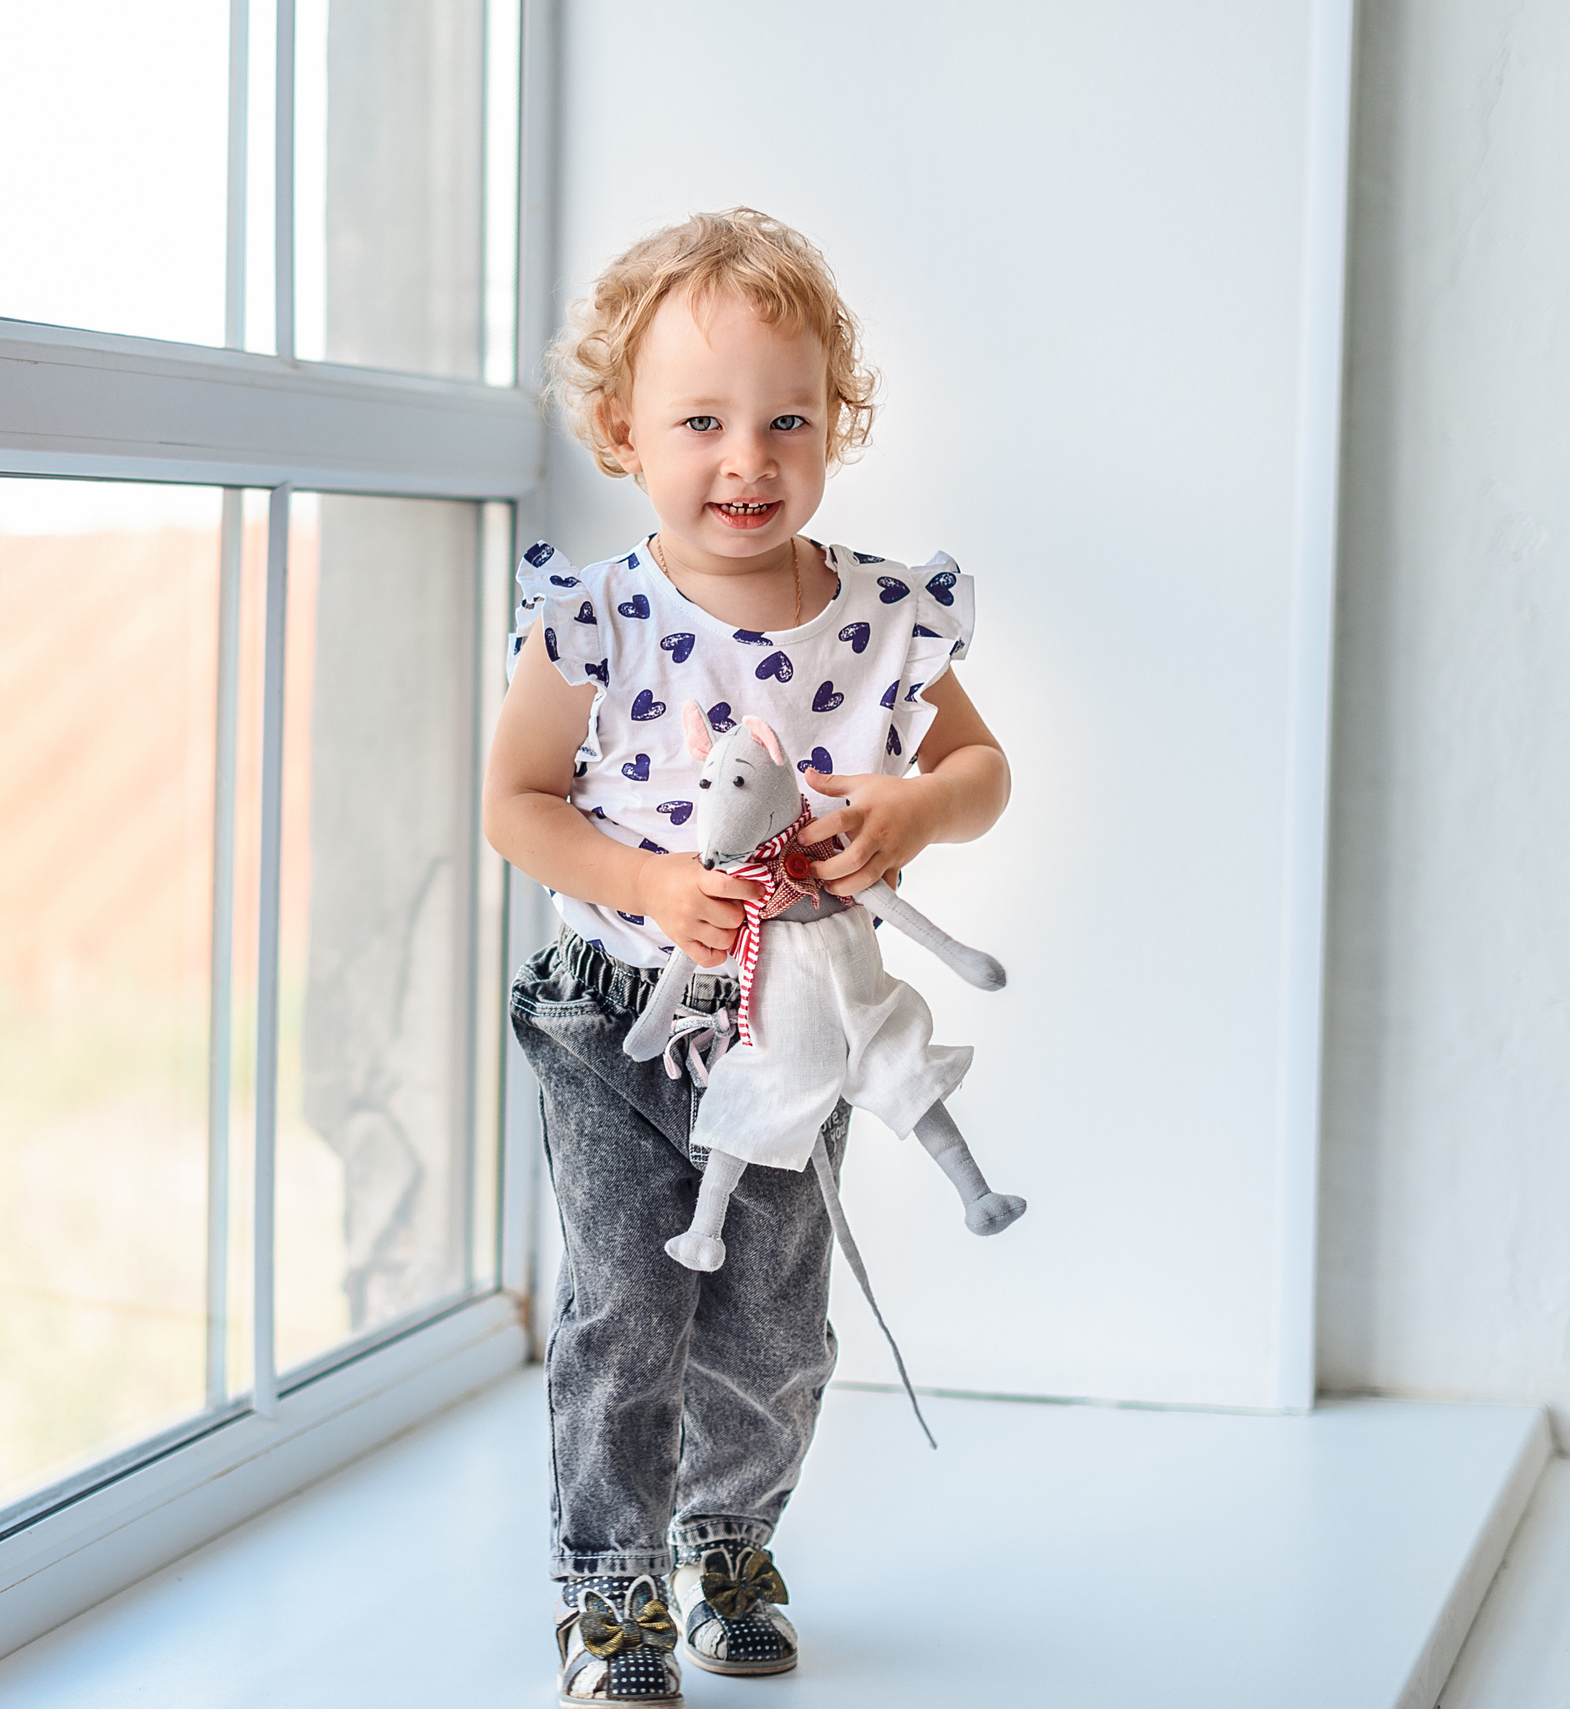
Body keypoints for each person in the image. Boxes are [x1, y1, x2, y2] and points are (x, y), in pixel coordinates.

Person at [483, 207, 1013, 1707]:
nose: (749, 459)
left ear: (834, 426)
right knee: (625, 1303)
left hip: (790, 1025)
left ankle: (728, 1538)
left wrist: (913, 807)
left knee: (774, 1312)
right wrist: (646, 881)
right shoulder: (597, 618)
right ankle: (606, 1585)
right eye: (702, 420)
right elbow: (515, 803)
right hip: (615, 1021)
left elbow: (984, 773)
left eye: (788, 420)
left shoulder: (882, 617)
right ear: (618, 427)